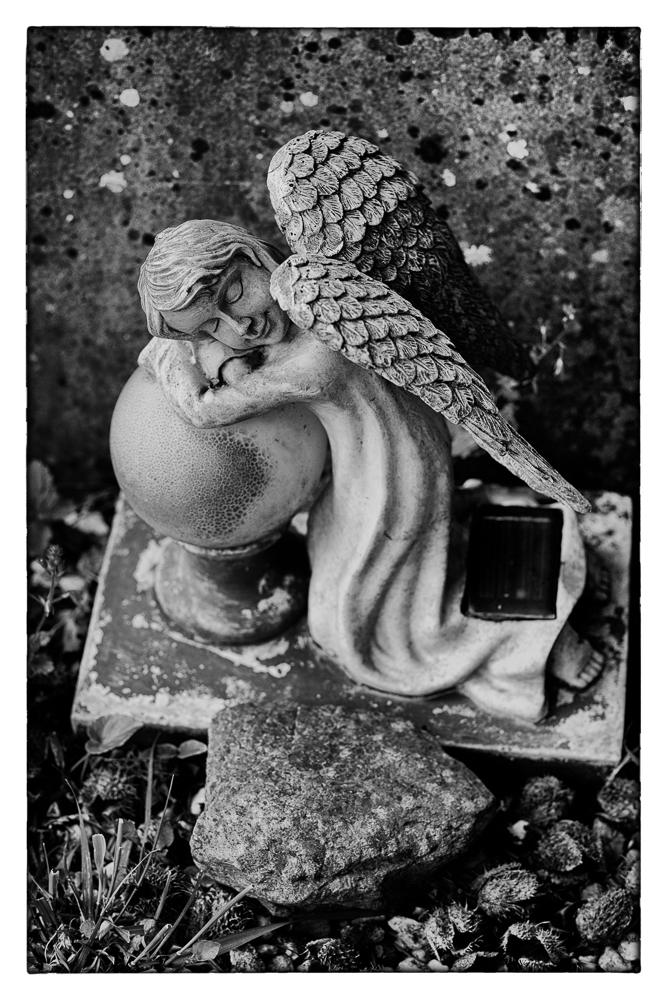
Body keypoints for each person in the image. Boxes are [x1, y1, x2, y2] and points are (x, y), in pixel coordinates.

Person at [136, 219, 591, 722]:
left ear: (256, 257)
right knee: (371, 575)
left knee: (365, 613)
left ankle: (534, 643)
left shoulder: (318, 351)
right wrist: (196, 343)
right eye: (208, 328)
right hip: (366, 465)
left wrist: (168, 356)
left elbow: (206, 409)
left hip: (394, 476)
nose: (238, 329)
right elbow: (238, 359)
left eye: (236, 292)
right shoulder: (292, 314)